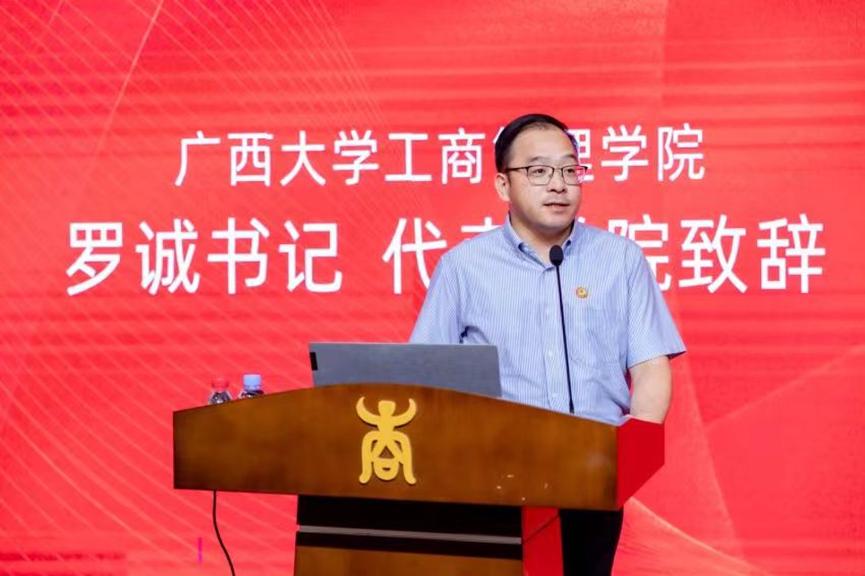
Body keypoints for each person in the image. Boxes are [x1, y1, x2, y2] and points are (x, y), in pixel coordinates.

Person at [410, 113, 685, 575]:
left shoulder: (620, 259)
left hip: (594, 476)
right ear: (503, 185)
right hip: (494, 480)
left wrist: (629, 457)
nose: (558, 184)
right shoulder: (463, 267)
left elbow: (650, 366)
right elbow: (426, 375)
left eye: (569, 170)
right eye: (538, 171)